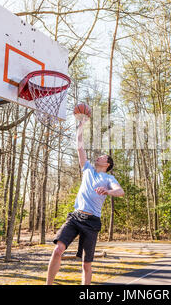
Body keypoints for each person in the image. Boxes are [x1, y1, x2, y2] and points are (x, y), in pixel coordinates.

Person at [46, 116, 125, 285]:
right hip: (75, 217)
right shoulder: (87, 168)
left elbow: (120, 191)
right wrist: (80, 127)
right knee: (58, 249)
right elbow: (79, 146)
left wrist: (108, 191)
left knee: (86, 264)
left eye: (103, 157)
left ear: (107, 164)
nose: (99, 157)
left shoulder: (108, 177)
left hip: (91, 222)